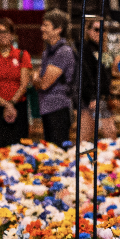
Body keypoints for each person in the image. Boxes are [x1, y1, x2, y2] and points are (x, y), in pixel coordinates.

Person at [0, 17, 34, 149]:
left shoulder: (22, 55)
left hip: (18, 108)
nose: (2, 35)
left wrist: (11, 105)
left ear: (12, 35)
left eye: (6, 32)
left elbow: (24, 85)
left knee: (19, 150)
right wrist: (6, 105)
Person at [37, 11, 78, 145]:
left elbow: (43, 84)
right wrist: (37, 78)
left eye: (46, 25)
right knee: (50, 149)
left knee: (59, 151)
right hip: (47, 107)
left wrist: (36, 77)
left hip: (59, 108)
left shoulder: (63, 51)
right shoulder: (47, 52)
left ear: (58, 29)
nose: (42, 28)